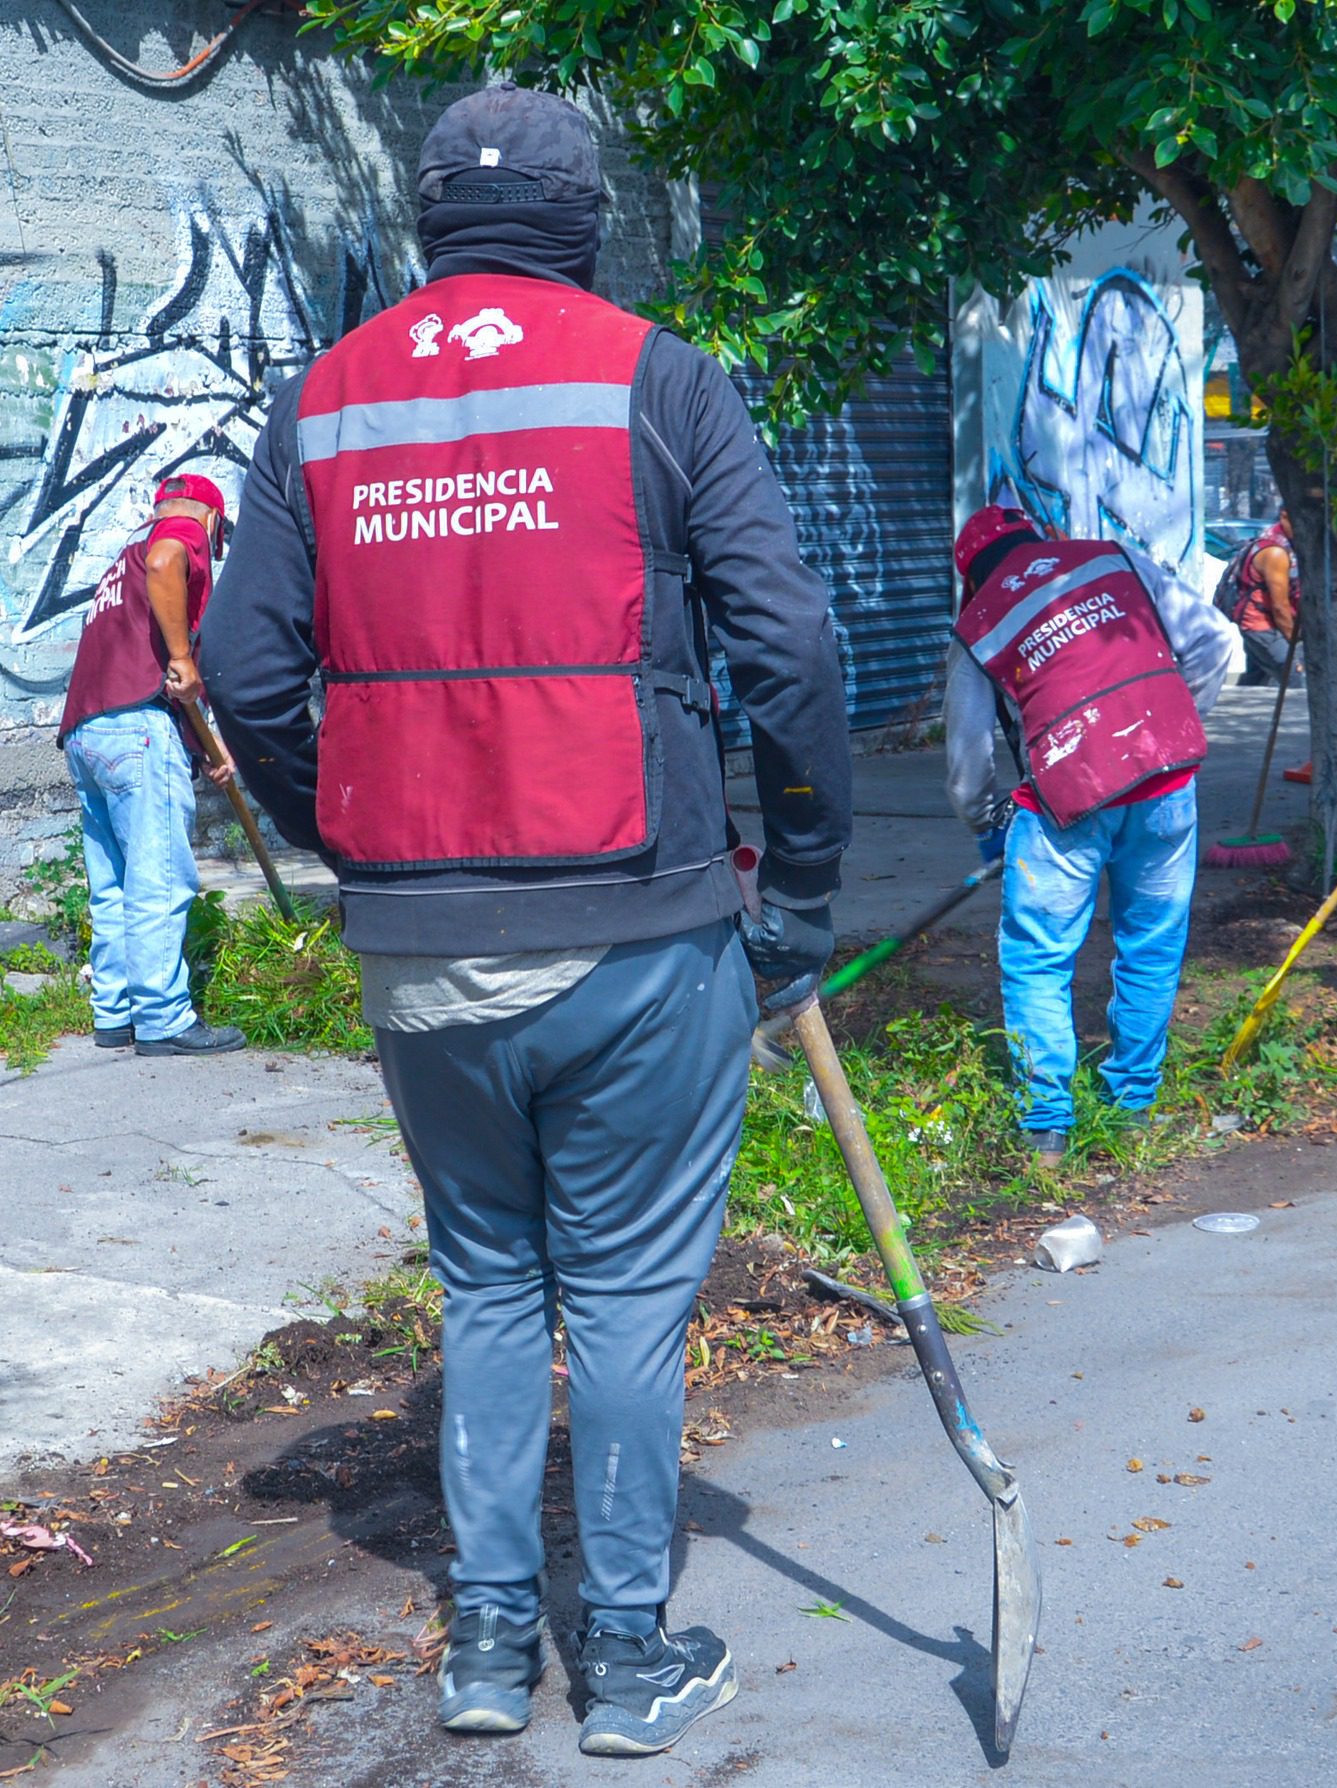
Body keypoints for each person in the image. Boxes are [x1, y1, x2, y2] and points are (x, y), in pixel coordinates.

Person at [203, 84, 852, 1759]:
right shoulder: (654, 378)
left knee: (489, 1283)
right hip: (636, 926)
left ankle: (489, 1645)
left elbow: (252, 670)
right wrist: (803, 885)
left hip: (421, 944)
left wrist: (353, 828)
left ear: (429, 222)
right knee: (626, 1291)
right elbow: (787, 649)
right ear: (588, 219)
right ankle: (623, 1660)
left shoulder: (326, 403)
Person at [945, 506, 1233, 1157]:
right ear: (1036, 539)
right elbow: (1214, 641)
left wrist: (987, 821)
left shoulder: (980, 621)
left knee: (1038, 958)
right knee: (1151, 946)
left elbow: (967, 762)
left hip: (1064, 804)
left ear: (971, 577)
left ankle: (1047, 1124)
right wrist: (1171, 728)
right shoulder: (1114, 559)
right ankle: (1132, 1107)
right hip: (1168, 787)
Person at [56, 473, 246, 1056]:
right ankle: (165, 1020)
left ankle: (114, 1013)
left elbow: (147, 664)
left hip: (89, 733)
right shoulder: (177, 535)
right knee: (158, 879)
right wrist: (187, 658)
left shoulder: (121, 562)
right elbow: (170, 566)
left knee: (111, 883)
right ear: (211, 519)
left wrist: (203, 746)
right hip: (138, 732)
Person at [1228, 510, 1299, 687]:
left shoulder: (1273, 540)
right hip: (1265, 628)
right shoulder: (1275, 552)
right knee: (1298, 678)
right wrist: (1294, 642)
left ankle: (1240, 710)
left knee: (1256, 681)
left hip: (1257, 626)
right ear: (1284, 515)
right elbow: (1280, 607)